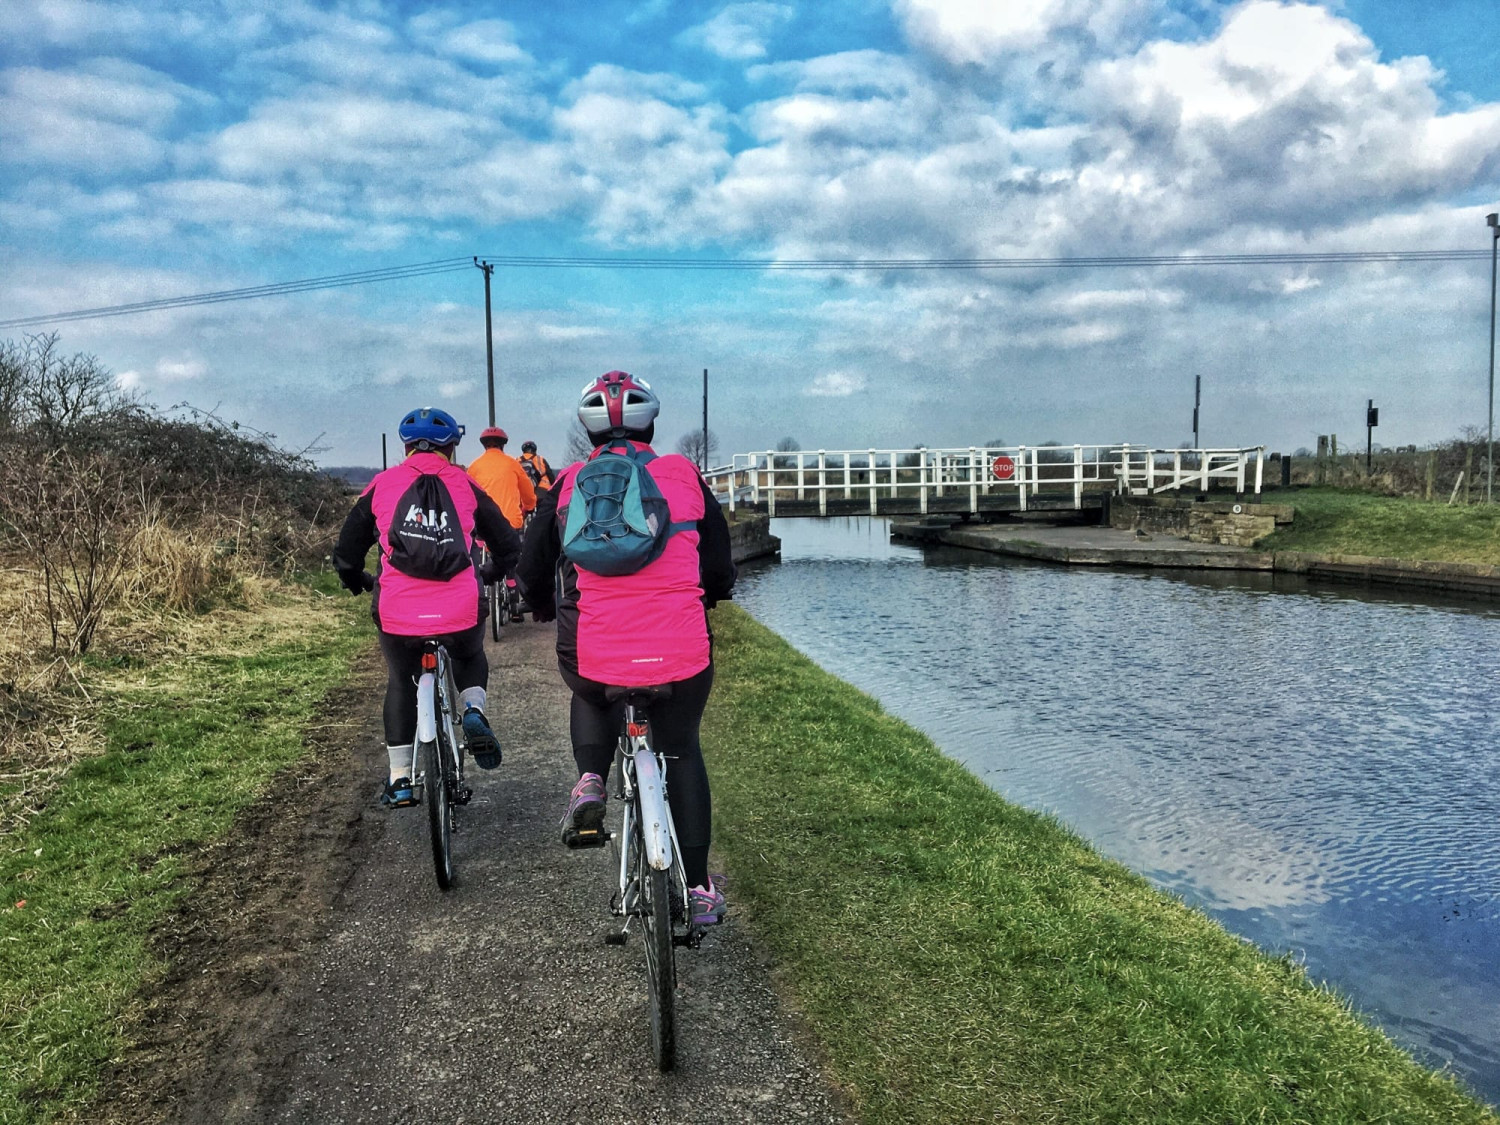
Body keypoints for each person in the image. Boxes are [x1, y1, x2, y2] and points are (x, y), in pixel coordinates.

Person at [517, 371, 736, 925]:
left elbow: (532, 567)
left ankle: (591, 779)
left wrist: (540, 603)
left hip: (599, 650)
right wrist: (712, 592)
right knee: (681, 747)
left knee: (591, 691)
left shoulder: (567, 483)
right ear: (652, 424)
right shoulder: (683, 474)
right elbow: (718, 562)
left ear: (588, 433)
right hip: (681, 651)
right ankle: (702, 888)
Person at [333, 407, 520, 807]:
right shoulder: (465, 485)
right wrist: (492, 572)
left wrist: (358, 582)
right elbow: (508, 543)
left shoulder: (382, 484)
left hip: (398, 610)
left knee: (402, 680)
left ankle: (400, 778)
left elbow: (347, 554)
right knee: (470, 653)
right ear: (451, 448)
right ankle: (472, 708)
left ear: (405, 447)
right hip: (458, 608)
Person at [468, 426, 537, 620]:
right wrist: (529, 506)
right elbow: (528, 493)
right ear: (503, 445)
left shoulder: (474, 466)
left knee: (480, 547)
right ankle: (513, 597)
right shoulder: (513, 464)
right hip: (509, 522)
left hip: (482, 523)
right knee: (511, 557)